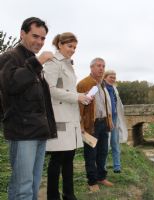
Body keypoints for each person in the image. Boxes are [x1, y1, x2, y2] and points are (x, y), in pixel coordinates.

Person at [0, 17, 57, 200]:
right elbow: (10, 85)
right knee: (22, 187)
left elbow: (42, 101)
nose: (39, 42)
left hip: (38, 131)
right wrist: (38, 62)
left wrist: (49, 128)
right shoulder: (9, 57)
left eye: (43, 38)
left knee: (33, 184)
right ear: (22, 34)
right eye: (35, 36)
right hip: (22, 132)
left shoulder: (32, 61)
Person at [43, 32, 91, 200]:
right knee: (57, 159)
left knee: (69, 158)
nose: (73, 50)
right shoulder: (53, 63)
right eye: (70, 46)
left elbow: (68, 90)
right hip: (59, 117)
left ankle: (69, 195)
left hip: (70, 116)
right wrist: (76, 96)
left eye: (75, 47)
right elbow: (49, 89)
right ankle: (53, 196)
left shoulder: (68, 64)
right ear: (60, 45)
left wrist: (81, 95)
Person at [77, 58, 114, 192]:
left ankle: (101, 177)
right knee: (91, 154)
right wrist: (81, 126)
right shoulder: (84, 83)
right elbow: (79, 106)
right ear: (91, 67)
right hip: (90, 125)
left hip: (103, 123)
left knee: (103, 152)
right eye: (98, 66)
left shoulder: (102, 84)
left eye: (103, 66)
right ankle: (92, 181)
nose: (101, 69)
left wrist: (109, 121)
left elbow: (106, 105)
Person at [103, 70, 128, 173]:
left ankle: (117, 167)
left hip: (114, 118)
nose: (113, 79)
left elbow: (118, 104)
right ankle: (102, 168)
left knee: (115, 143)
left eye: (114, 77)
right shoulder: (101, 88)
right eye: (111, 77)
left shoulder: (114, 89)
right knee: (105, 145)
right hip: (105, 119)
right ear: (105, 77)